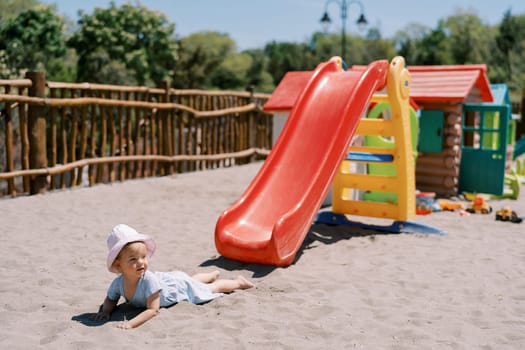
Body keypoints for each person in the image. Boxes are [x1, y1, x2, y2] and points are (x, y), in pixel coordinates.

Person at [92, 224, 254, 329]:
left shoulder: (148, 280)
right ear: (119, 265)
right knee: (190, 280)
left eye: (143, 257)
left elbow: (153, 310)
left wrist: (131, 324)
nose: (141, 262)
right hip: (171, 280)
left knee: (209, 288)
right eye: (133, 259)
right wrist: (106, 311)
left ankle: (237, 282)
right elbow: (111, 299)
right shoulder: (118, 283)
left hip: (176, 288)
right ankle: (211, 274)